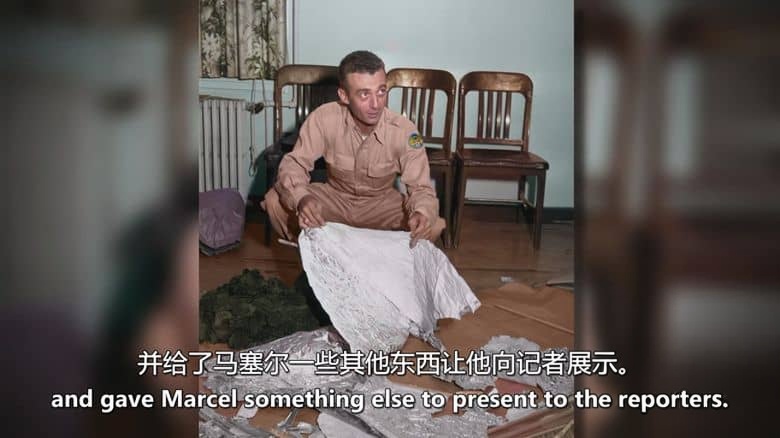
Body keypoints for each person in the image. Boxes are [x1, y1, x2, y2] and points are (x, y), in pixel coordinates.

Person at [261, 50, 445, 246]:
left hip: (381, 207)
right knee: (274, 201)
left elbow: (421, 188)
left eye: (381, 91)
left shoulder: (404, 130)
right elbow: (295, 164)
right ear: (344, 96)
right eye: (365, 94)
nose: (376, 104)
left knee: (433, 225)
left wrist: (421, 212)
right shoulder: (324, 118)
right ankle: (314, 253)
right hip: (335, 201)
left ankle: (378, 258)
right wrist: (302, 199)